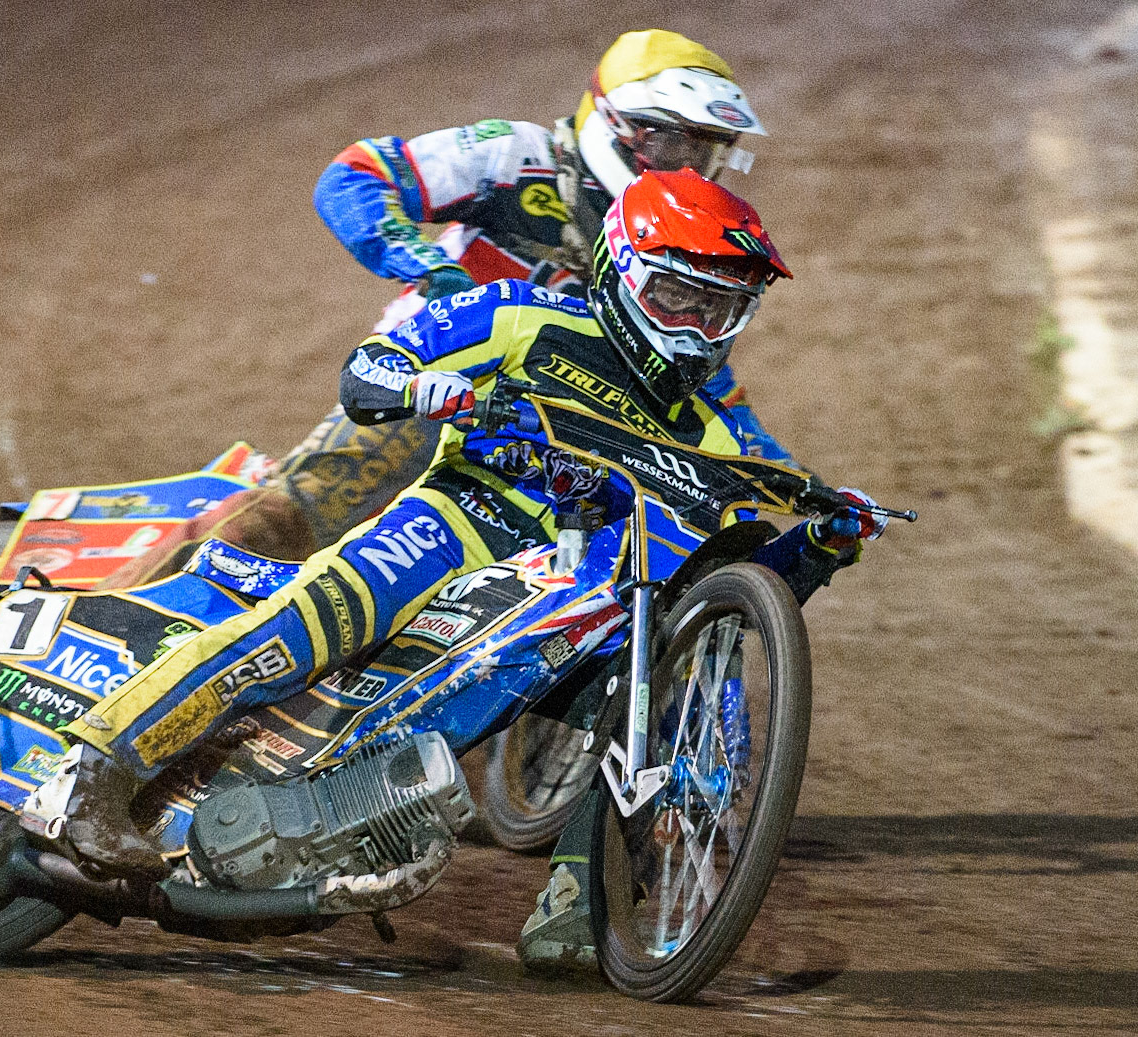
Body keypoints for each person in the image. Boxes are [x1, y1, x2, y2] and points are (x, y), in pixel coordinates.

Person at [47, 172, 886, 960]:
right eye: (678, 297)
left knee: (659, 685)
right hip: (454, 523)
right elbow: (370, 371)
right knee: (300, 628)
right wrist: (435, 391)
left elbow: (741, 598)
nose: (696, 327)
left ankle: (575, 905)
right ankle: (96, 769)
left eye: (720, 308)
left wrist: (822, 543)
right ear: (624, 274)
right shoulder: (526, 316)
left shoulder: (719, 441)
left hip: (566, 605)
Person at [98, 29, 797, 591]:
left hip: (560, 426)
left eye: (706, 153)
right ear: (616, 124)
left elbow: (696, 363)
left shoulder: (685, 242)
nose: (687, 170)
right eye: (673, 142)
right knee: (286, 521)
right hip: (433, 382)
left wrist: (786, 478)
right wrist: (429, 268)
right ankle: (99, 613)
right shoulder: (520, 155)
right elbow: (356, 175)